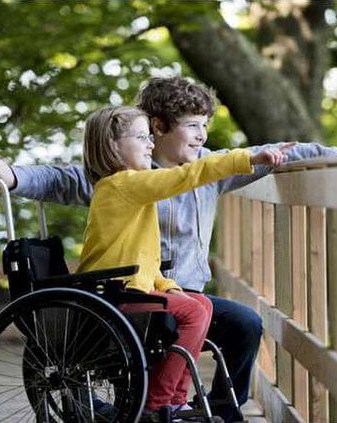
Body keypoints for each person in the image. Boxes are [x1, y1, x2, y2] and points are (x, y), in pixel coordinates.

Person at [0, 76, 337, 422]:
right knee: (169, 328)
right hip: (128, 298)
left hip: (176, 292)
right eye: (192, 125)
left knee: (245, 323)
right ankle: (152, 405)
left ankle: (218, 409)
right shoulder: (120, 174)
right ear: (157, 127)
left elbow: (280, 151)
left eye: (206, 125)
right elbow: (58, 178)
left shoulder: (209, 168)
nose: (203, 136)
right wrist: (12, 175)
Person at [77, 105, 287, 420]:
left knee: (198, 303)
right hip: (111, 298)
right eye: (140, 137)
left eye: (150, 137)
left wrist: (170, 286)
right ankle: (158, 402)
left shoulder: (131, 189)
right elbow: (187, 175)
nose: (150, 144)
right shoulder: (122, 184)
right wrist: (245, 159)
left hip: (128, 289)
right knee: (192, 311)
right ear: (112, 146)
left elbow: (143, 262)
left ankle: (177, 399)